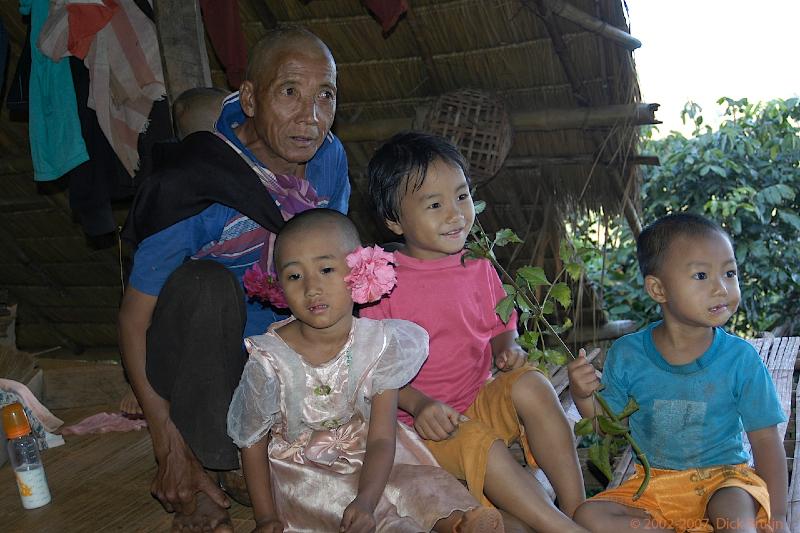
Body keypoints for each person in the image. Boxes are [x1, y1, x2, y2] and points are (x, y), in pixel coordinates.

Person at [117, 27, 350, 532]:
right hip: (188, 354)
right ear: (249, 98)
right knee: (206, 283)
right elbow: (134, 322)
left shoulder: (328, 161)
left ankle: (252, 451)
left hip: (267, 350)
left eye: (324, 95)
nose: (310, 117)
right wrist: (166, 442)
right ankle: (207, 459)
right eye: (289, 92)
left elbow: (335, 272)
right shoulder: (195, 181)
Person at [359, 131, 588, 533]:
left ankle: (577, 506)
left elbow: (502, 325)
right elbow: (375, 372)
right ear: (394, 219)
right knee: (486, 448)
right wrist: (419, 405)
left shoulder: (478, 265)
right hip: (426, 427)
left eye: (462, 196)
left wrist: (507, 349)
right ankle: (560, 527)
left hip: (478, 397)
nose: (456, 214)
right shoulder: (383, 283)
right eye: (435, 204)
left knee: (533, 383)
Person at [227, 208, 505, 532]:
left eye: (326, 269)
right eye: (294, 276)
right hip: (308, 473)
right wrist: (266, 518)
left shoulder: (377, 343)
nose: (311, 287)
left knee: (420, 483)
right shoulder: (270, 359)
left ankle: (455, 522)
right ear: (280, 285)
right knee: (358, 510)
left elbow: (382, 439)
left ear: (357, 272)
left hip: (375, 451)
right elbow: (252, 442)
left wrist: (367, 498)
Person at [567, 213, 788, 533]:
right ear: (658, 289)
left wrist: (778, 515)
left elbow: (766, 440)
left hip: (724, 480)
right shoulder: (629, 355)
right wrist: (582, 394)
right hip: (654, 486)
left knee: (734, 514)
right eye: (702, 275)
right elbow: (608, 427)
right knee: (588, 516)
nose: (721, 288)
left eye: (729, 272)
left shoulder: (741, 359)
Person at [119, 85, 232, 417]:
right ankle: (146, 382)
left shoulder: (260, 183)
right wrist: (144, 386)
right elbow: (136, 317)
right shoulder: (176, 200)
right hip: (181, 313)